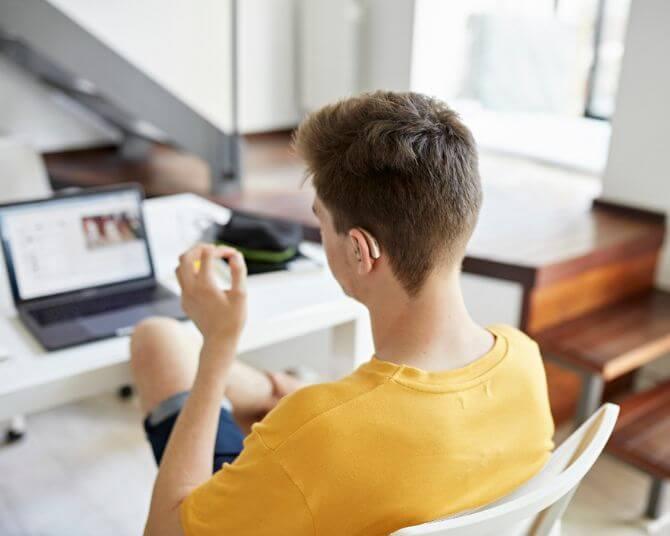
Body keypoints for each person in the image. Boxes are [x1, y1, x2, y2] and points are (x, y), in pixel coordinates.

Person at [131, 91, 555, 536]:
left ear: (359, 249)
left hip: (299, 473)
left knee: (157, 339)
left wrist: (218, 346)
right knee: (257, 383)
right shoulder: (522, 357)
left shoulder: (323, 433)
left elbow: (163, 532)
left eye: (321, 222)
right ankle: (276, 390)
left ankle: (254, 384)